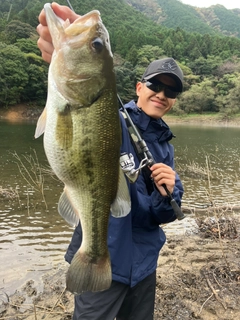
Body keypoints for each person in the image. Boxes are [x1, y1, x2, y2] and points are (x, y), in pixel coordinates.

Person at [37, 3, 184, 319]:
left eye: (170, 91)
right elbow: (81, 99)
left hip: (144, 266)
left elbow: (162, 214)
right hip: (107, 264)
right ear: (138, 87)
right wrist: (61, 51)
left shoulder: (164, 146)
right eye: (155, 84)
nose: (161, 94)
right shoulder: (112, 119)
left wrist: (170, 190)